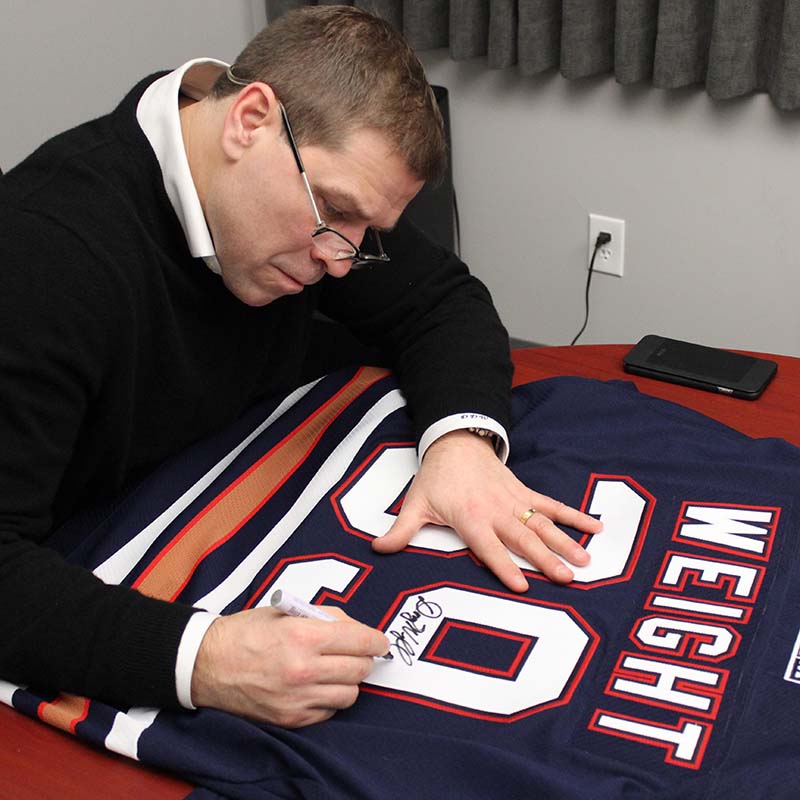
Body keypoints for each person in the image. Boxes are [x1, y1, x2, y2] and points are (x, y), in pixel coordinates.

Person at [0, 6, 600, 729]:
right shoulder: (39, 255)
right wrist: (205, 659)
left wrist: (460, 448)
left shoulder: (301, 195)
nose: (340, 259)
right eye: (335, 211)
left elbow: (441, 298)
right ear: (249, 120)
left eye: (366, 231)